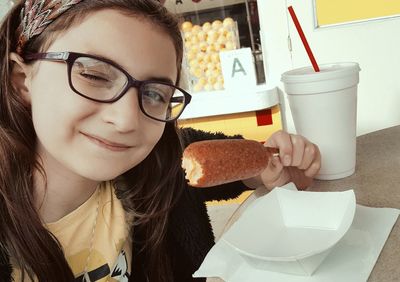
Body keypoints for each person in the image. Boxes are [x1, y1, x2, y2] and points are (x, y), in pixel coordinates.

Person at [0, 0, 321, 281]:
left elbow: (252, 166)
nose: (126, 120)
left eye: (154, 93)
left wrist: (278, 165)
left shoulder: (168, 161)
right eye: (94, 76)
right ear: (21, 81)